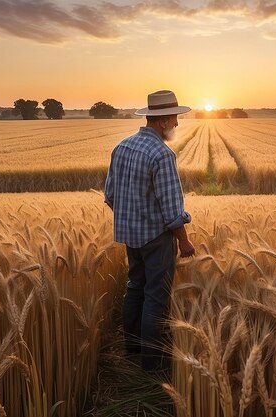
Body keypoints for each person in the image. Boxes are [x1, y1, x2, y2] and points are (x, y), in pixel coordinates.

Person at [104, 90, 195, 376]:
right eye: (176, 119)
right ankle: (152, 364)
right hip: (156, 238)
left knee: (135, 287)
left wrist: (132, 220)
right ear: (163, 120)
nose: (177, 125)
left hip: (130, 235)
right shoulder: (162, 154)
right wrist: (184, 240)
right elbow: (171, 210)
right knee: (156, 296)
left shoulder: (121, 147)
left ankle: (131, 348)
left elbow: (109, 195)